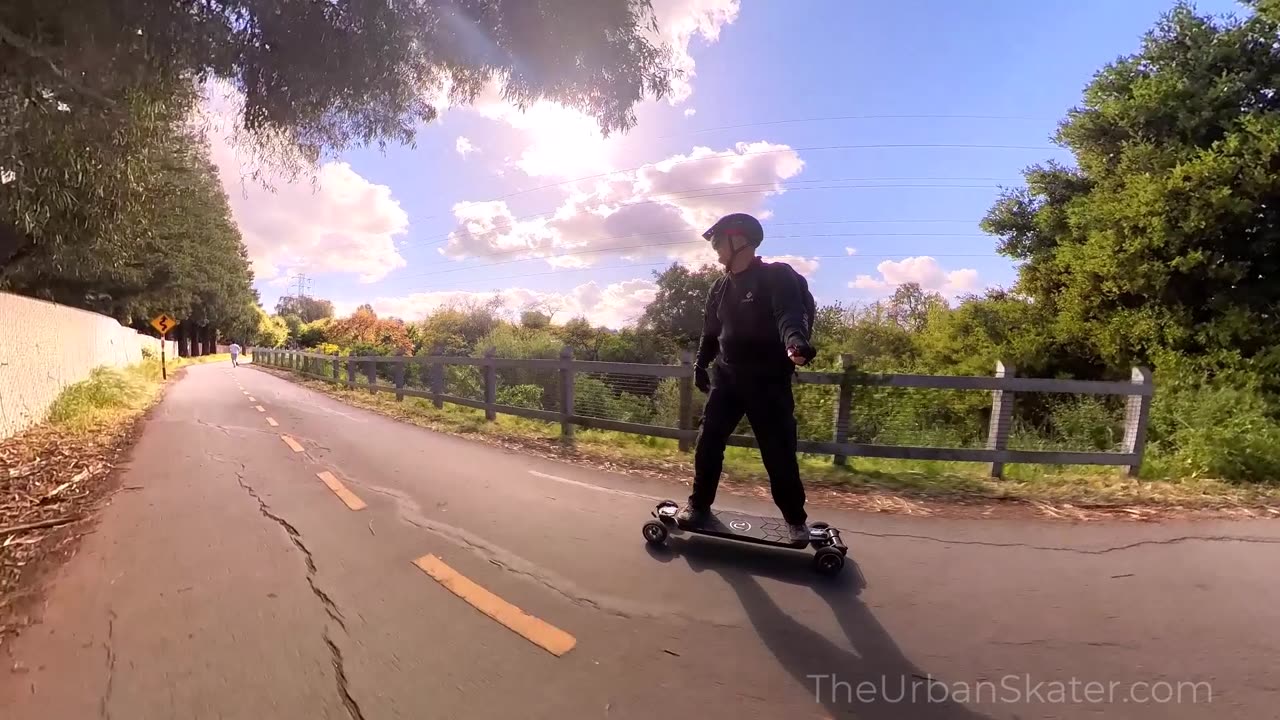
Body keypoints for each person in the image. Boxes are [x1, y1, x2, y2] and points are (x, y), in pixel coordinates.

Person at [678, 212, 817, 543]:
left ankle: (796, 520)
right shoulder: (720, 287)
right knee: (708, 442)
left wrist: (795, 343)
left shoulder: (776, 276)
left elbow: (789, 314)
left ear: (738, 240)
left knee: (778, 452)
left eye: (716, 241)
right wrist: (700, 363)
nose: (714, 249)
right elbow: (712, 331)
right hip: (727, 378)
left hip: (768, 381)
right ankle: (698, 506)